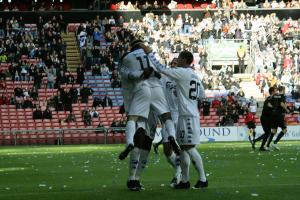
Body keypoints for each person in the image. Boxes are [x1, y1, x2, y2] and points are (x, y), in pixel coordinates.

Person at [145, 48, 208, 189]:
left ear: (184, 60)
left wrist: (149, 53)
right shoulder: (194, 75)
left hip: (188, 116)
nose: (177, 60)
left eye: (179, 58)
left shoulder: (183, 72)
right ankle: (184, 181)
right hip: (186, 114)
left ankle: (203, 179)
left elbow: (161, 68)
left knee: (189, 148)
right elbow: (202, 94)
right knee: (183, 149)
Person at [118, 39, 180, 161]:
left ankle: (129, 143)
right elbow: (158, 72)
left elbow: (132, 75)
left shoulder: (126, 62)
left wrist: (142, 74)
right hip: (156, 90)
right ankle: (172, 136)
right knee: (166, 116)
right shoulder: (148, 57)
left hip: (140, 91)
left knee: (133, 120)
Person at [252, 86, 276, 151]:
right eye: (275, 90)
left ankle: (258, 143)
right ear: (273, 91)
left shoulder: (270, 98)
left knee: (267, 133)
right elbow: (269, 105)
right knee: (267, 133)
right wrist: (274, 108)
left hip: (266, 118)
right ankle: (260, 145)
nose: (276, 91)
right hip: (266, 118)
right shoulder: (270, 98)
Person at [267, 86, 289, 150]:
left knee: (273, 131)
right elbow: (282, 104)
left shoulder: (275, 96)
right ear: (283, 90)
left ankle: (267, 145)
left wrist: (274, 108)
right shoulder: (282, 96)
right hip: (279, 115)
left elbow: (269, 104)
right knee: (284, 130)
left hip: (273, 115)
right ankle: (275, 142)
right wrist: (286, 109)